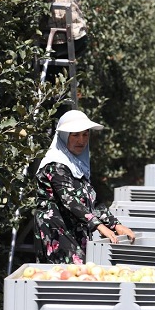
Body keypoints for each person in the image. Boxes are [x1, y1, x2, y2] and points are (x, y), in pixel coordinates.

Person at [33, 110, 135, 264]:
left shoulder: (76, 166)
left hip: (75, 230)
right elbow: (71, 201)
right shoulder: (55, 165)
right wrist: (99, 226)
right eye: (75, 135)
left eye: (85, 134)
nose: (81, 140)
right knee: (68, 277)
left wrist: (115, 224)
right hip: (57, 231)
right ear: (64, 136)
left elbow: (93, 201)